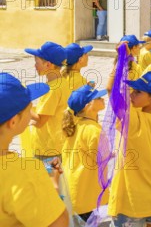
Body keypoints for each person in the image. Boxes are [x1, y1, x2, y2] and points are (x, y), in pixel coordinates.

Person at [0, 73, 69, 227]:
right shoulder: (26, 173)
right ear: (13, 121)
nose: (33, 110)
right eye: (29, 108)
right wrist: (53, 182)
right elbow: (59, 223)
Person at [108, 71, 151, 227]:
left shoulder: (135, 121)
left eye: (138, 92)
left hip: (132, 201)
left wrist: (120, 63)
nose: (131, 94)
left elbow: (111, 91)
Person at [61, 85, 109, 223]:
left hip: (75, 192)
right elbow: (102, 158)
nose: (102, 99)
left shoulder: (75, 126)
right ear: (89, 106)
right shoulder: (94, 130)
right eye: (98, 98)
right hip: (89, 197)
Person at [24, 42, 69, 174]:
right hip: (56, 144)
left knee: (49, 187)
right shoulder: (61, 82)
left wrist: (26, 106)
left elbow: (40, 121)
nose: (34, 66)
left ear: (48, 65)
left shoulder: (52, 89)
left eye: (37, 62)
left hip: (47, 148)